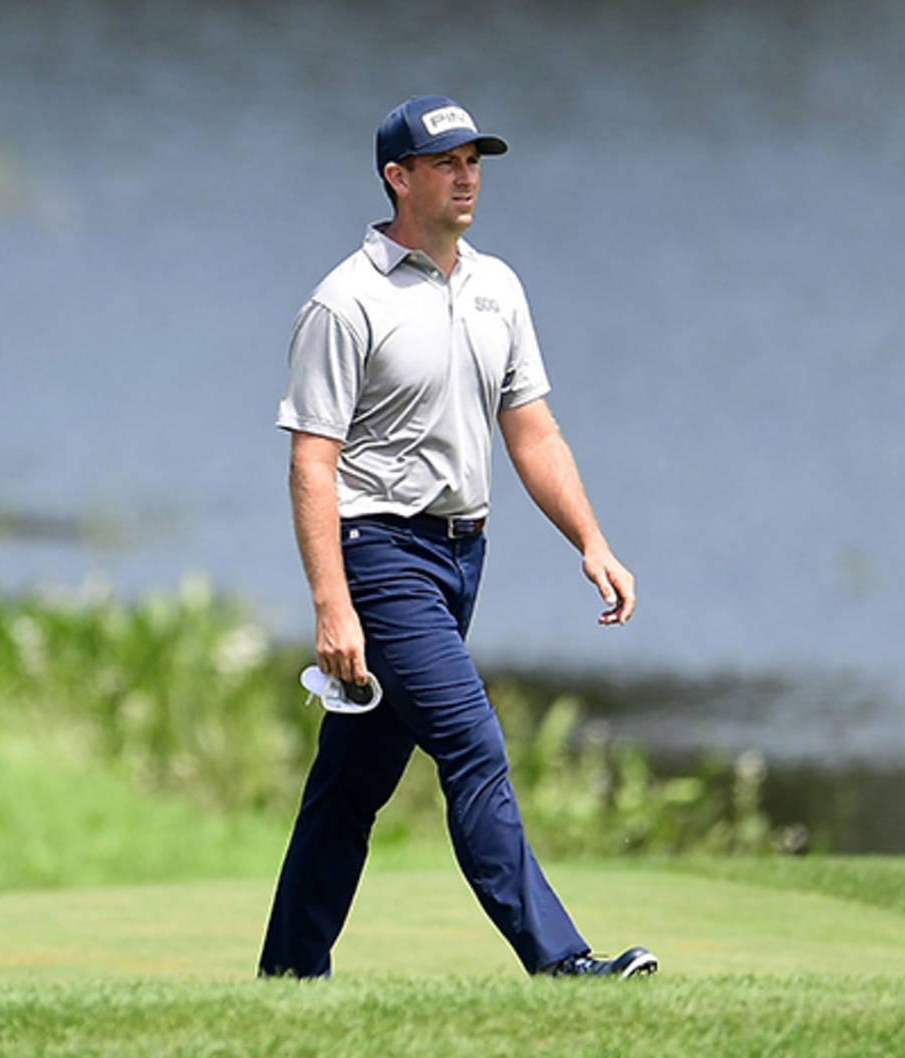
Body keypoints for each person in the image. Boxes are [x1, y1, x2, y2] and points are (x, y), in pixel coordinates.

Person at [258, 94, 656, 980]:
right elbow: (312, 465)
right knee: (474, 747)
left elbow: (533, 429)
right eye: (447, 162)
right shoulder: (344, 301)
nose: (468, 175)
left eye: (475, 160)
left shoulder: (496, 287)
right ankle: (561, 964)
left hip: (460, 557)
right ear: (398, 177)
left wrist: (590, 541)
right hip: (379, 555)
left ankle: (285, 982)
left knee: (349, 789)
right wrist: (334, 608)